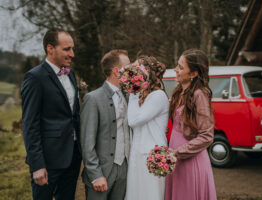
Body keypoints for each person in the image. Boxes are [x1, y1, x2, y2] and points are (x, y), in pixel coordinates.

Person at [21, 29, 82, 200]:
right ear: (50, 48)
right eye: (67, 49)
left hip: (73, 157)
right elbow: (30, 124)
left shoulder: (70, 75)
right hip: (48, 161)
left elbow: (73, 116)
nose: (72, 54)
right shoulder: (34, 78)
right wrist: (37, 165)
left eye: (72, 48)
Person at [165, 49, 217, 200]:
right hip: (175, 158)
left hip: (190, 160)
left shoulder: (199, 95)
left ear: (193, 74)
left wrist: (178, 152)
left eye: (181, 67)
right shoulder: (179, 92)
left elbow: (207, 136)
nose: (176, 69)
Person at [80, 49, 130, 200]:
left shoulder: (129, 97)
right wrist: (95, 175)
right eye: (128, 67)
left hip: (125, 169)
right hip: (102, 172)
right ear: (116, 71)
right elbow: (87, 142)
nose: (132, 71)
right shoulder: (93, 99)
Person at [125, 56, 169, 200]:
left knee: (150, 195)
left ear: (147, 73)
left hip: (153, 155)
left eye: (136, 69)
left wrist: (132, 91)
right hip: (138, 152)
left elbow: (133, 120)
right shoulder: (142, 95)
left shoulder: (158, 96)